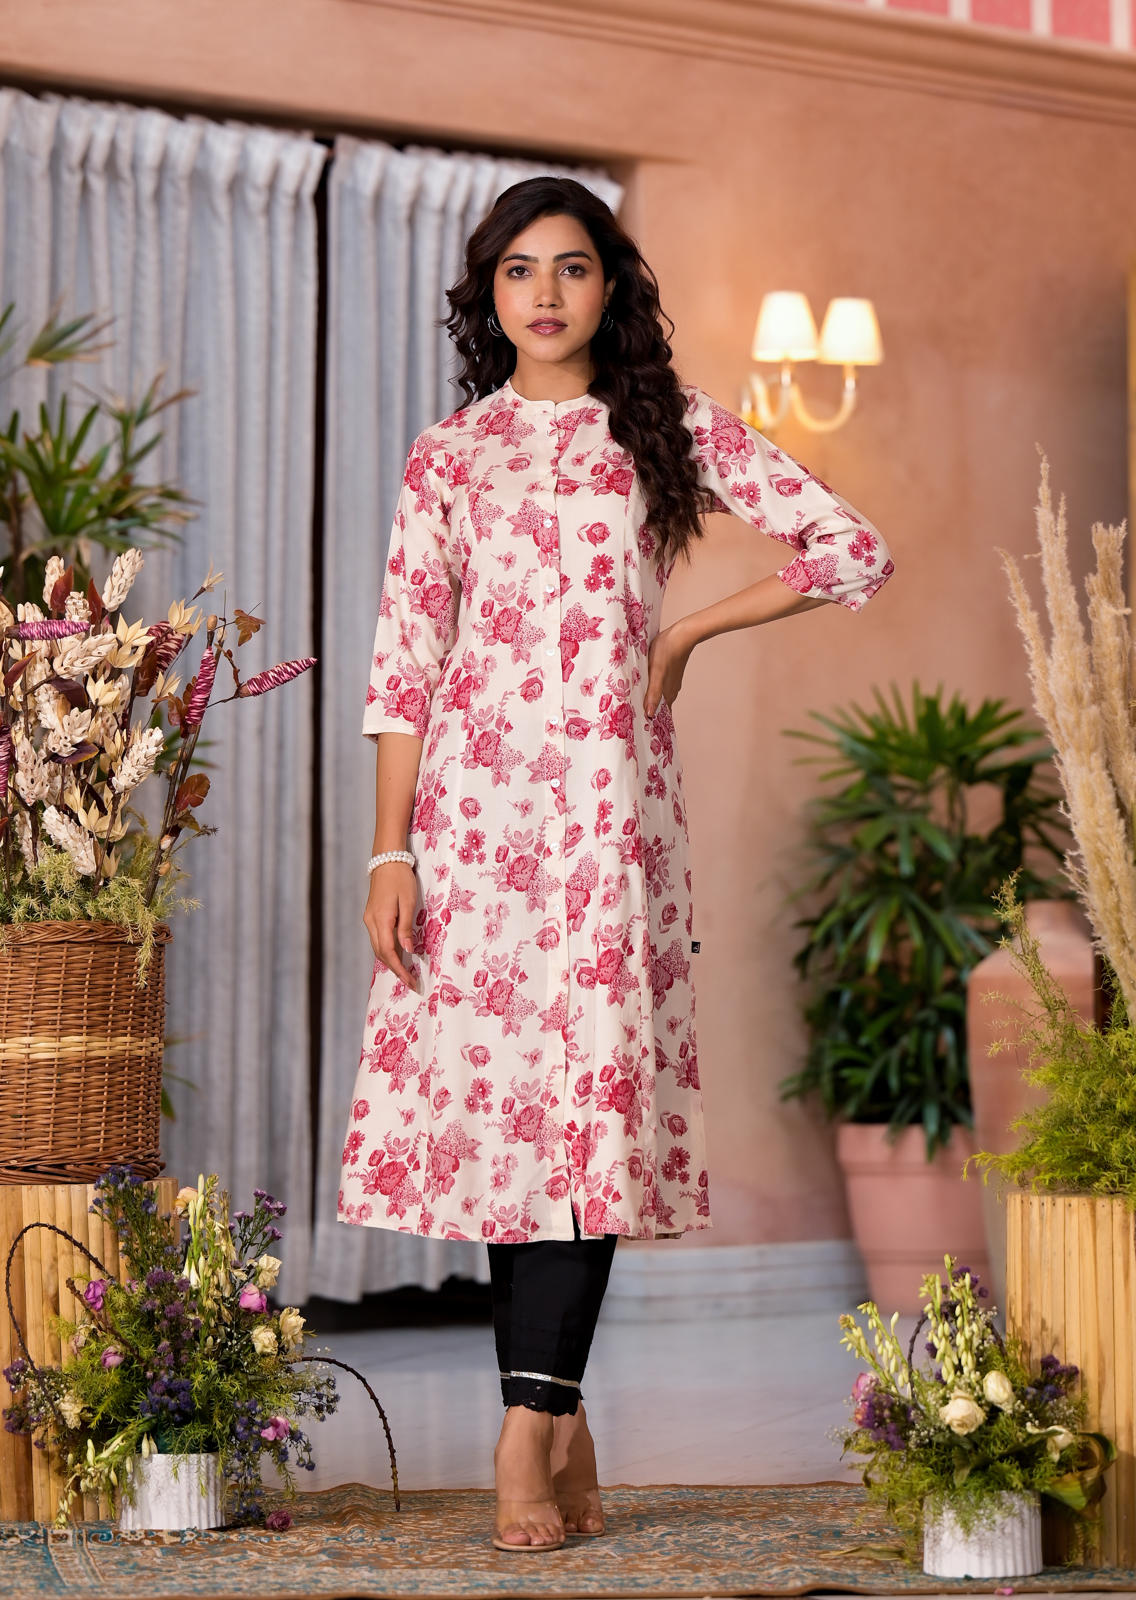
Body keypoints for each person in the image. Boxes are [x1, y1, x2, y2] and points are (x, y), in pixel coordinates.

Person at [337, 175, 894, 1553]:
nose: (545, 292)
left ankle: (524, 1432)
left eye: (572, 267)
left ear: (609, 286)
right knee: (511, 1125)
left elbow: (849, 546)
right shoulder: (450, 455)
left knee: (586, 1111)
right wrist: (392, 849)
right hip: (472, 825)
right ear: (489, 295)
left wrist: (686, 631)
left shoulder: (665, 425)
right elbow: (404, 666)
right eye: (519, 269)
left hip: (608, 823)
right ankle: (560, 1414)